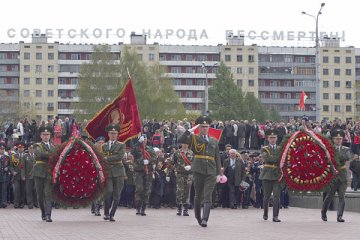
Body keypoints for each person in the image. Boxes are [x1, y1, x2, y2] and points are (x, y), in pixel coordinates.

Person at [178, 115, 222, 227]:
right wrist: (189, 131)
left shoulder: (214, 140)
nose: (204, 128)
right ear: (199, 128)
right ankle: (198, 216)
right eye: (202, 126)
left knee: (208, 195)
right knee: (198, 195)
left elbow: (217, 157)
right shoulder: (194, 138)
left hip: (211, 171)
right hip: (198, 170)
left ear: (209, 127)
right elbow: (181, 140)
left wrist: (218, 173)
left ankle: (205, 219)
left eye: (206, 126)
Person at [321, 129, 353, 222]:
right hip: (333, 176)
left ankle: (339, 216)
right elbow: (327, 159)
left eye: (340, 139)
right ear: (333, 140)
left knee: (342, 196)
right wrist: (338, 157)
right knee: (329, 197)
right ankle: (323, 212)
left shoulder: (345, 149)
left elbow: (348, 157)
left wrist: (336, 157)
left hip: (342, 176)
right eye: (337, 139)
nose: (339, 140)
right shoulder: (329, 149)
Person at [102, 124, 126, 222]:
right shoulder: (104, 145)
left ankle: (112, 214)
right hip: (108, 171)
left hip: (118, 171)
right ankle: (106, 213)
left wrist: (107, 158)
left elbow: (119, 156)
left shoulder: (121, 145)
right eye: (111, 133)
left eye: (115, 133)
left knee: (117, 194)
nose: (113, 135)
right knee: (108, 192)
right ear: (108, 134)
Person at [33, 126, 55, 222]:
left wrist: (50, 155)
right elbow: (40, 154)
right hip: (39, 172)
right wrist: (52, 155)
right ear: (41, 136)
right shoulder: (37, 145)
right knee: (40, 195)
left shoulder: (53, 147)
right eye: (44, 134)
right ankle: (43, 212)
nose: (46, 136)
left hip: (49, 172)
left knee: (48, 194)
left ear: (50, 136)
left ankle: (48, 215)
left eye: (48, 134)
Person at [131, 134, 157, 216]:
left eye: (145, 139)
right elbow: (132, 152)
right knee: (139, 189)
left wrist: (149, 161)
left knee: (147, 191)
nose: (144, 140)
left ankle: (143, 209)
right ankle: (138, 208)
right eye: (142, 139)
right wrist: (138, 143)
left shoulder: (150, 149)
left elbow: (155, 158)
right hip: (138, 172)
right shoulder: (137, 148)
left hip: (148, 172)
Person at [259, 129, 281, 222]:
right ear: (268, 138)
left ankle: (275, 216)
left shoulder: (280, 148)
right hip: (267, 175)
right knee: (266, 196)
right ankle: (265, 213)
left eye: (274, 137)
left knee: (276, 196)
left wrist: (273, 158)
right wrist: (276, 158)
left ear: (277, 138)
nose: (272, 139)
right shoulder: (264, 148)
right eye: (271, 138)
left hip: (277, 174)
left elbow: (279, 159)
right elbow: (267, 159)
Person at [172, 143, 194, 216]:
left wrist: (191, 167)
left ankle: (186, 209)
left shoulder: (191, 152)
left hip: (189, 174)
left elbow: (195, 162)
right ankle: (179, 208)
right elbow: (173, 162)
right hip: (180, 173)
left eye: (186, 143)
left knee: (187, 190)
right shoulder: (177, 152)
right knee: (179, 190)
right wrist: (175, 170)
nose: (185, 145)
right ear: (182, 144)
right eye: (184, 143)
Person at [11, 142, 26, 208]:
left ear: (23, 148)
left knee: (23, 190)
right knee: (17, 190)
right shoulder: (14, 156)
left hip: (23, 176)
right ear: (17, 148)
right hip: (16, 176)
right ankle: (16, 203)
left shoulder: (26, 156)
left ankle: (22, 203)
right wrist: (13, 171)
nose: (20, 149)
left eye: (22, 148)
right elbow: (11, 166)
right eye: (19, 148)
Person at [23, 142, 37, 209]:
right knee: (29, 190)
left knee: (36, 190)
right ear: (28, 149)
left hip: (36, 176)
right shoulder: (25, 156)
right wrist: (23, 175)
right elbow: (22, 167)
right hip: (28, 175)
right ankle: (30, 203)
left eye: (33, 148)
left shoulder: (37, 156)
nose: (31, 149)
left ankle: (36, 203)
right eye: (30, 148)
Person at [0, 142, 10, 208]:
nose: (2, 150)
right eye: (1, 149)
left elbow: (10, 165)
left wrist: (8, 168)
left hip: (4, 176)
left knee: (4, 190)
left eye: (3, 149)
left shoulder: (7, 157)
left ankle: (4, 202)